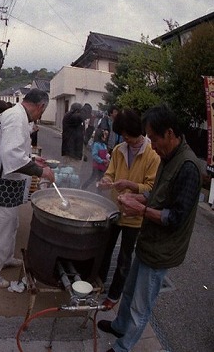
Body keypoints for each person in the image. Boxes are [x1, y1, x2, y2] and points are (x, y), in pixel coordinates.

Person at [98, 105, 201, 352]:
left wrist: (140, 210)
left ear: (169, 133)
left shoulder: (188, 166)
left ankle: (124, 346)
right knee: (130, 290)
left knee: (141, 305)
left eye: (154, 138)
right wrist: (138, 199)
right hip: (148, 241)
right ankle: (119, 325)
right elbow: (156, 193)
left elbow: (173, 217)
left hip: (162, 249)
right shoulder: (168, 157)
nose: (151, 145)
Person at [0, 89, 55, 288]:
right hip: (5, 181)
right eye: (42, 111)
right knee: (4, 226)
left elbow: (9, 149)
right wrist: (42, 172)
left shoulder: (12, 114)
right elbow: (12, 156)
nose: (41, 115)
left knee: (9, 223)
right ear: (40, 106)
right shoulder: (17, 118)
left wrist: (33, 159)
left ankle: (6, 257)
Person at [95, 108, 161, 310]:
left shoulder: (152, 154)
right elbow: (111, 173)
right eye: (122, 135)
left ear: (136, 130)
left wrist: (130, 185)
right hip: (115, 210)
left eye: (126, 134)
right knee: (104, 251)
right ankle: (97, 286)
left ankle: (113, 296)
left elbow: (151, 189)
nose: (124, 139)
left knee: (124, 258)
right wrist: (107, 181)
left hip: (135, 215)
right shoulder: (118, 150)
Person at [61, 102, 85, 178]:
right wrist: (86, 108)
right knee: (68, 176)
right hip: (71, 153)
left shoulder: (75, 119)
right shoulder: (69, 117)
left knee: (73, 176)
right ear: (76, 111)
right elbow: (80, 117)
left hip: (75, 152)